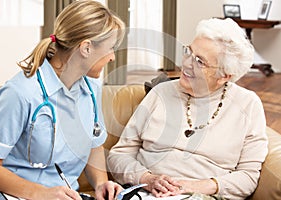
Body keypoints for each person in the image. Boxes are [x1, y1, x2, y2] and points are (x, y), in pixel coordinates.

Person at [107, 18, 268, 200]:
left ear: (224, 76)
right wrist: (147, 179)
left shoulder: (247, 105)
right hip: (145, 193)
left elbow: (248, 177)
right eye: (188, 52)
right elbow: (119, 155)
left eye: (200, 61)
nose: (187, 63)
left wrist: (192, 186)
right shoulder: (160, 93)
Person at [0, 1, 125, 199]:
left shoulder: (91, 89)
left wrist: (101, 183)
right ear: (86, 48)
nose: (112, 57)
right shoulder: (20, 93)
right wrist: (41, 193)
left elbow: (94, 145)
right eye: (110, 48)